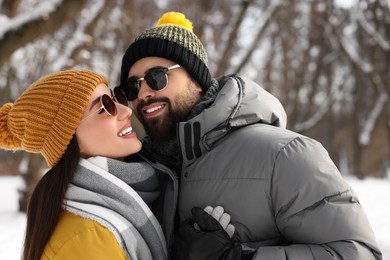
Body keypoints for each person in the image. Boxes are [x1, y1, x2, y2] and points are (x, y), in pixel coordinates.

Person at [118, 11, 383, 259]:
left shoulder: (283, 155)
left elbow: (359, 253)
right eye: (132, 87)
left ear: (197, 79)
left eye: (157, 77)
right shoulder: (138, 170)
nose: (143, 94)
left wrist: (240, 257)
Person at [0, 70, 169, 260]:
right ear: (68, 140)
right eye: (105, 107)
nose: (126, 110)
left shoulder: (129, 201)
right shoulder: (85, 238)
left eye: (116, 98)